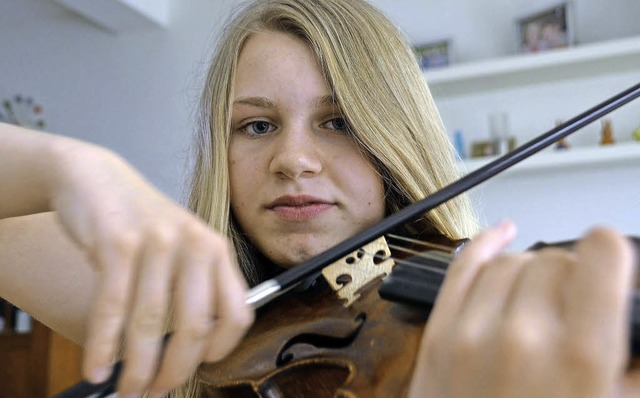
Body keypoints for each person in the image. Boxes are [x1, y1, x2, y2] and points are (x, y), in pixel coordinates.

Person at [0, 0, 638, 397]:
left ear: (395, 138)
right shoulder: (184, 303)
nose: (293, 159)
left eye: (339, 122)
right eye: (257, 125)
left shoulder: (493, 324)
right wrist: (64, 164)